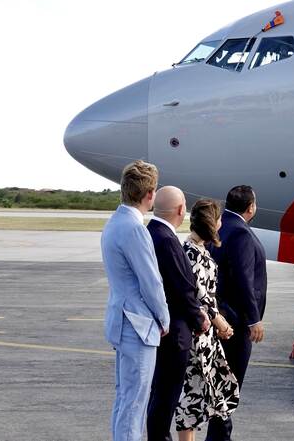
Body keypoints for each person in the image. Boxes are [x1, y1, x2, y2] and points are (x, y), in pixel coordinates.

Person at [101, 160, 169, 441]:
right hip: (138, 325)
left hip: (121, 320)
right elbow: (151, 282)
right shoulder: (135, 229)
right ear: (150, 194)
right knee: (135, 403)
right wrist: (164, 318)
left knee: (125, 399)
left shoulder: (115, 222)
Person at [146, 186, 210, 441]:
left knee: (159, 394)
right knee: (166, 396)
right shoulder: (167, 241)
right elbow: (182, 289)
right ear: (181, 210)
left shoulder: (150, 233)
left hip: (159, 328)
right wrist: (199, 318)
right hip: (175, 333)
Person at [205, 185, 267, 441]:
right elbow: (243, 280)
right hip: (236, 321)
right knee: (229, 385)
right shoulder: (241, 232)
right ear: (251, 207)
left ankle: (217, 436)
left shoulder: (221, 226)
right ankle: (220, 438)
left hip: (221, 316)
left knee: (222, 382)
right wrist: (254, 319)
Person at [175, 199, 240, 441]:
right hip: (198, 337)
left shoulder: (194, 249)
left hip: (204, 334)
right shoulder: (194, 253)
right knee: (192, 394)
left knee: (204, 392)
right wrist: (219, 322)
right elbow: (200, 297)